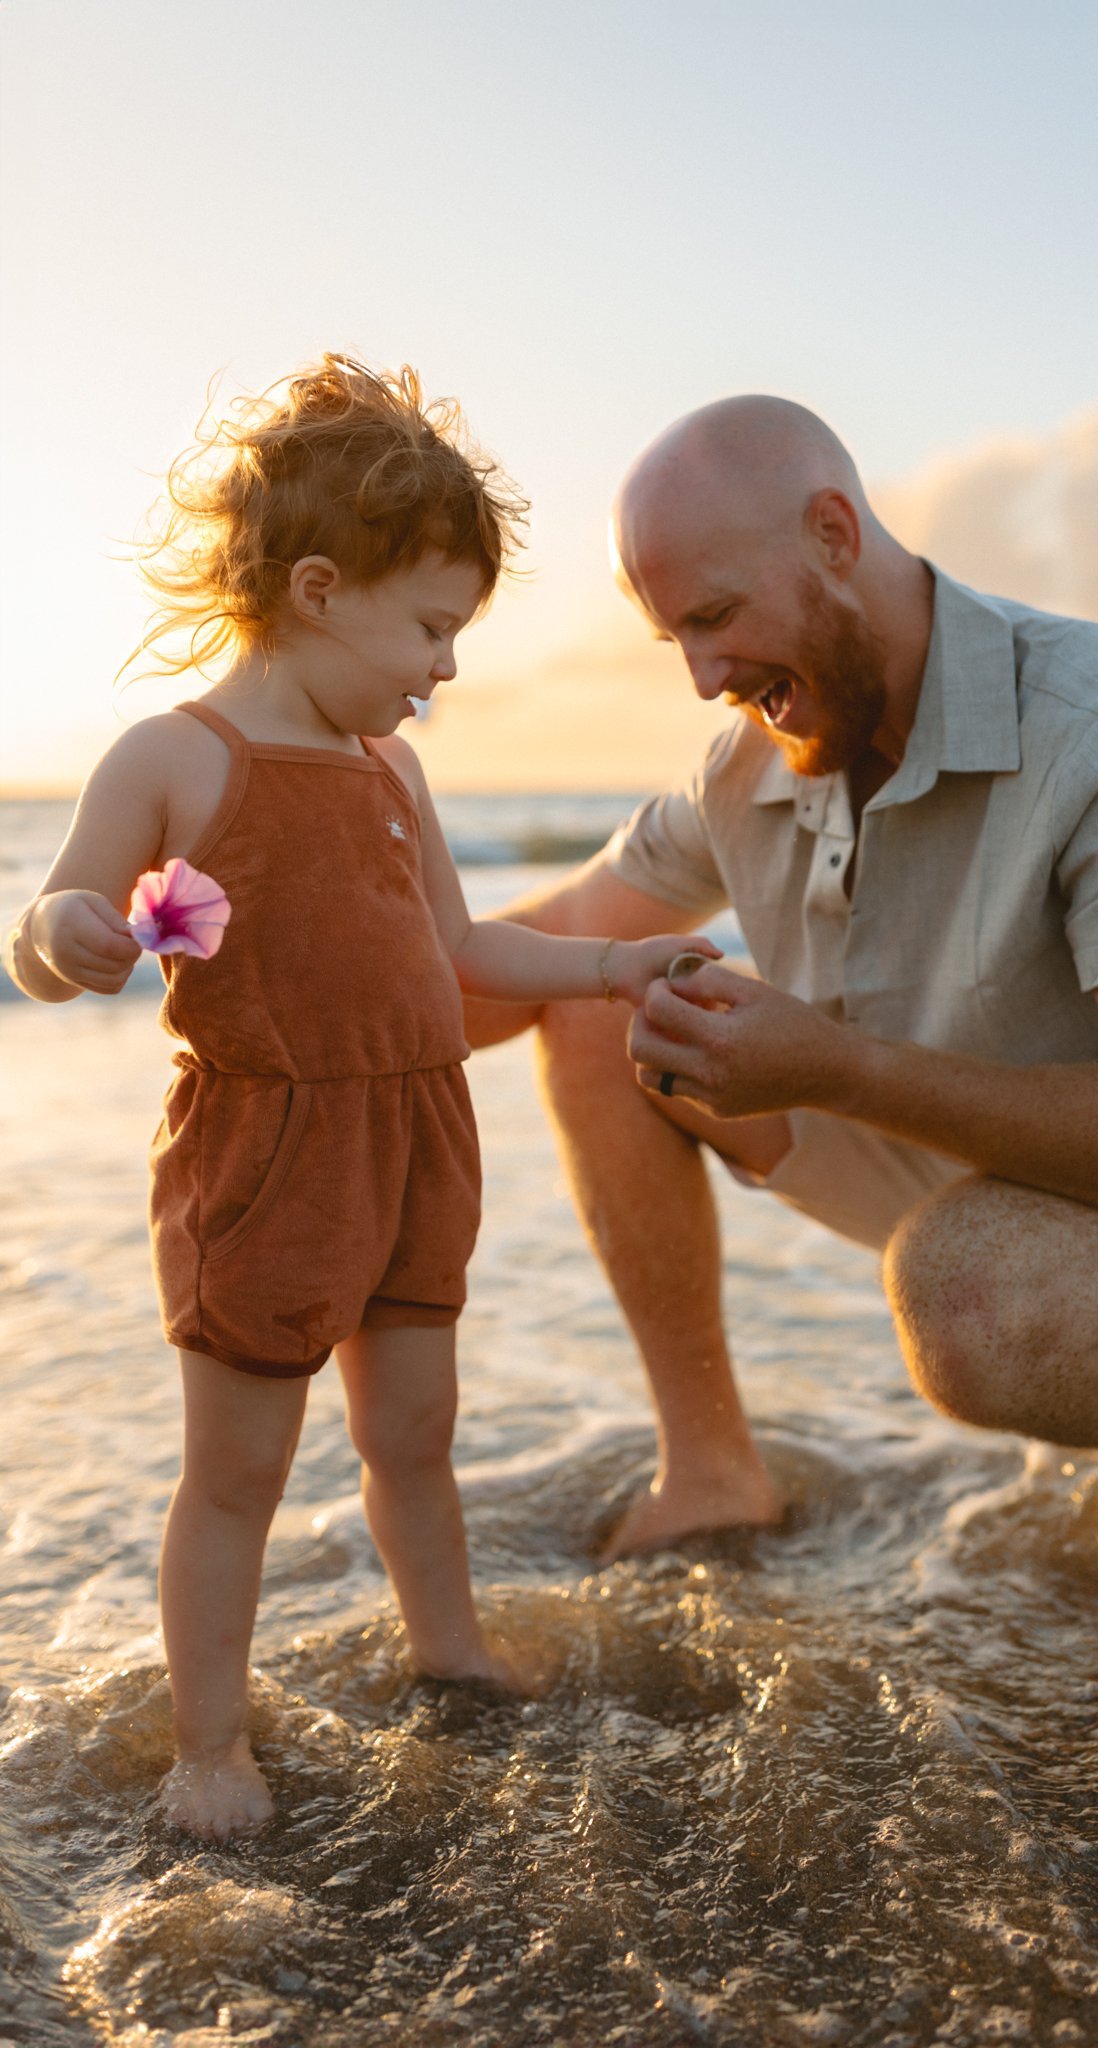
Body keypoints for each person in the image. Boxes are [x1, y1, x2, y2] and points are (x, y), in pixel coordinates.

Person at [2, 356, 713, 1843]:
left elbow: (456, 951)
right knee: (238, 1471)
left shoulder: (390, 765)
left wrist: (610, 965)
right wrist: (65, 938)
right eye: (433, 626)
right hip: (266, 1154)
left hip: (415, 1136)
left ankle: (442, 1644)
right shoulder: (174, 757)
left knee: (419, 1428)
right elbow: (56, 921)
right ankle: (209, 1743)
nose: (446, 668)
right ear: (319, 588)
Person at [463, 393, 1098, 1565]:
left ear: (835, 535)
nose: (699, 676)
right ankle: (711, 1468)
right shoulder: (744, 762)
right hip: (949, 1162)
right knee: (604, 1010)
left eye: (719, 615)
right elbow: (558, 936)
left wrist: (840, 1069)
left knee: (969, 1298)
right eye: (674, 635)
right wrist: (285, 1010)